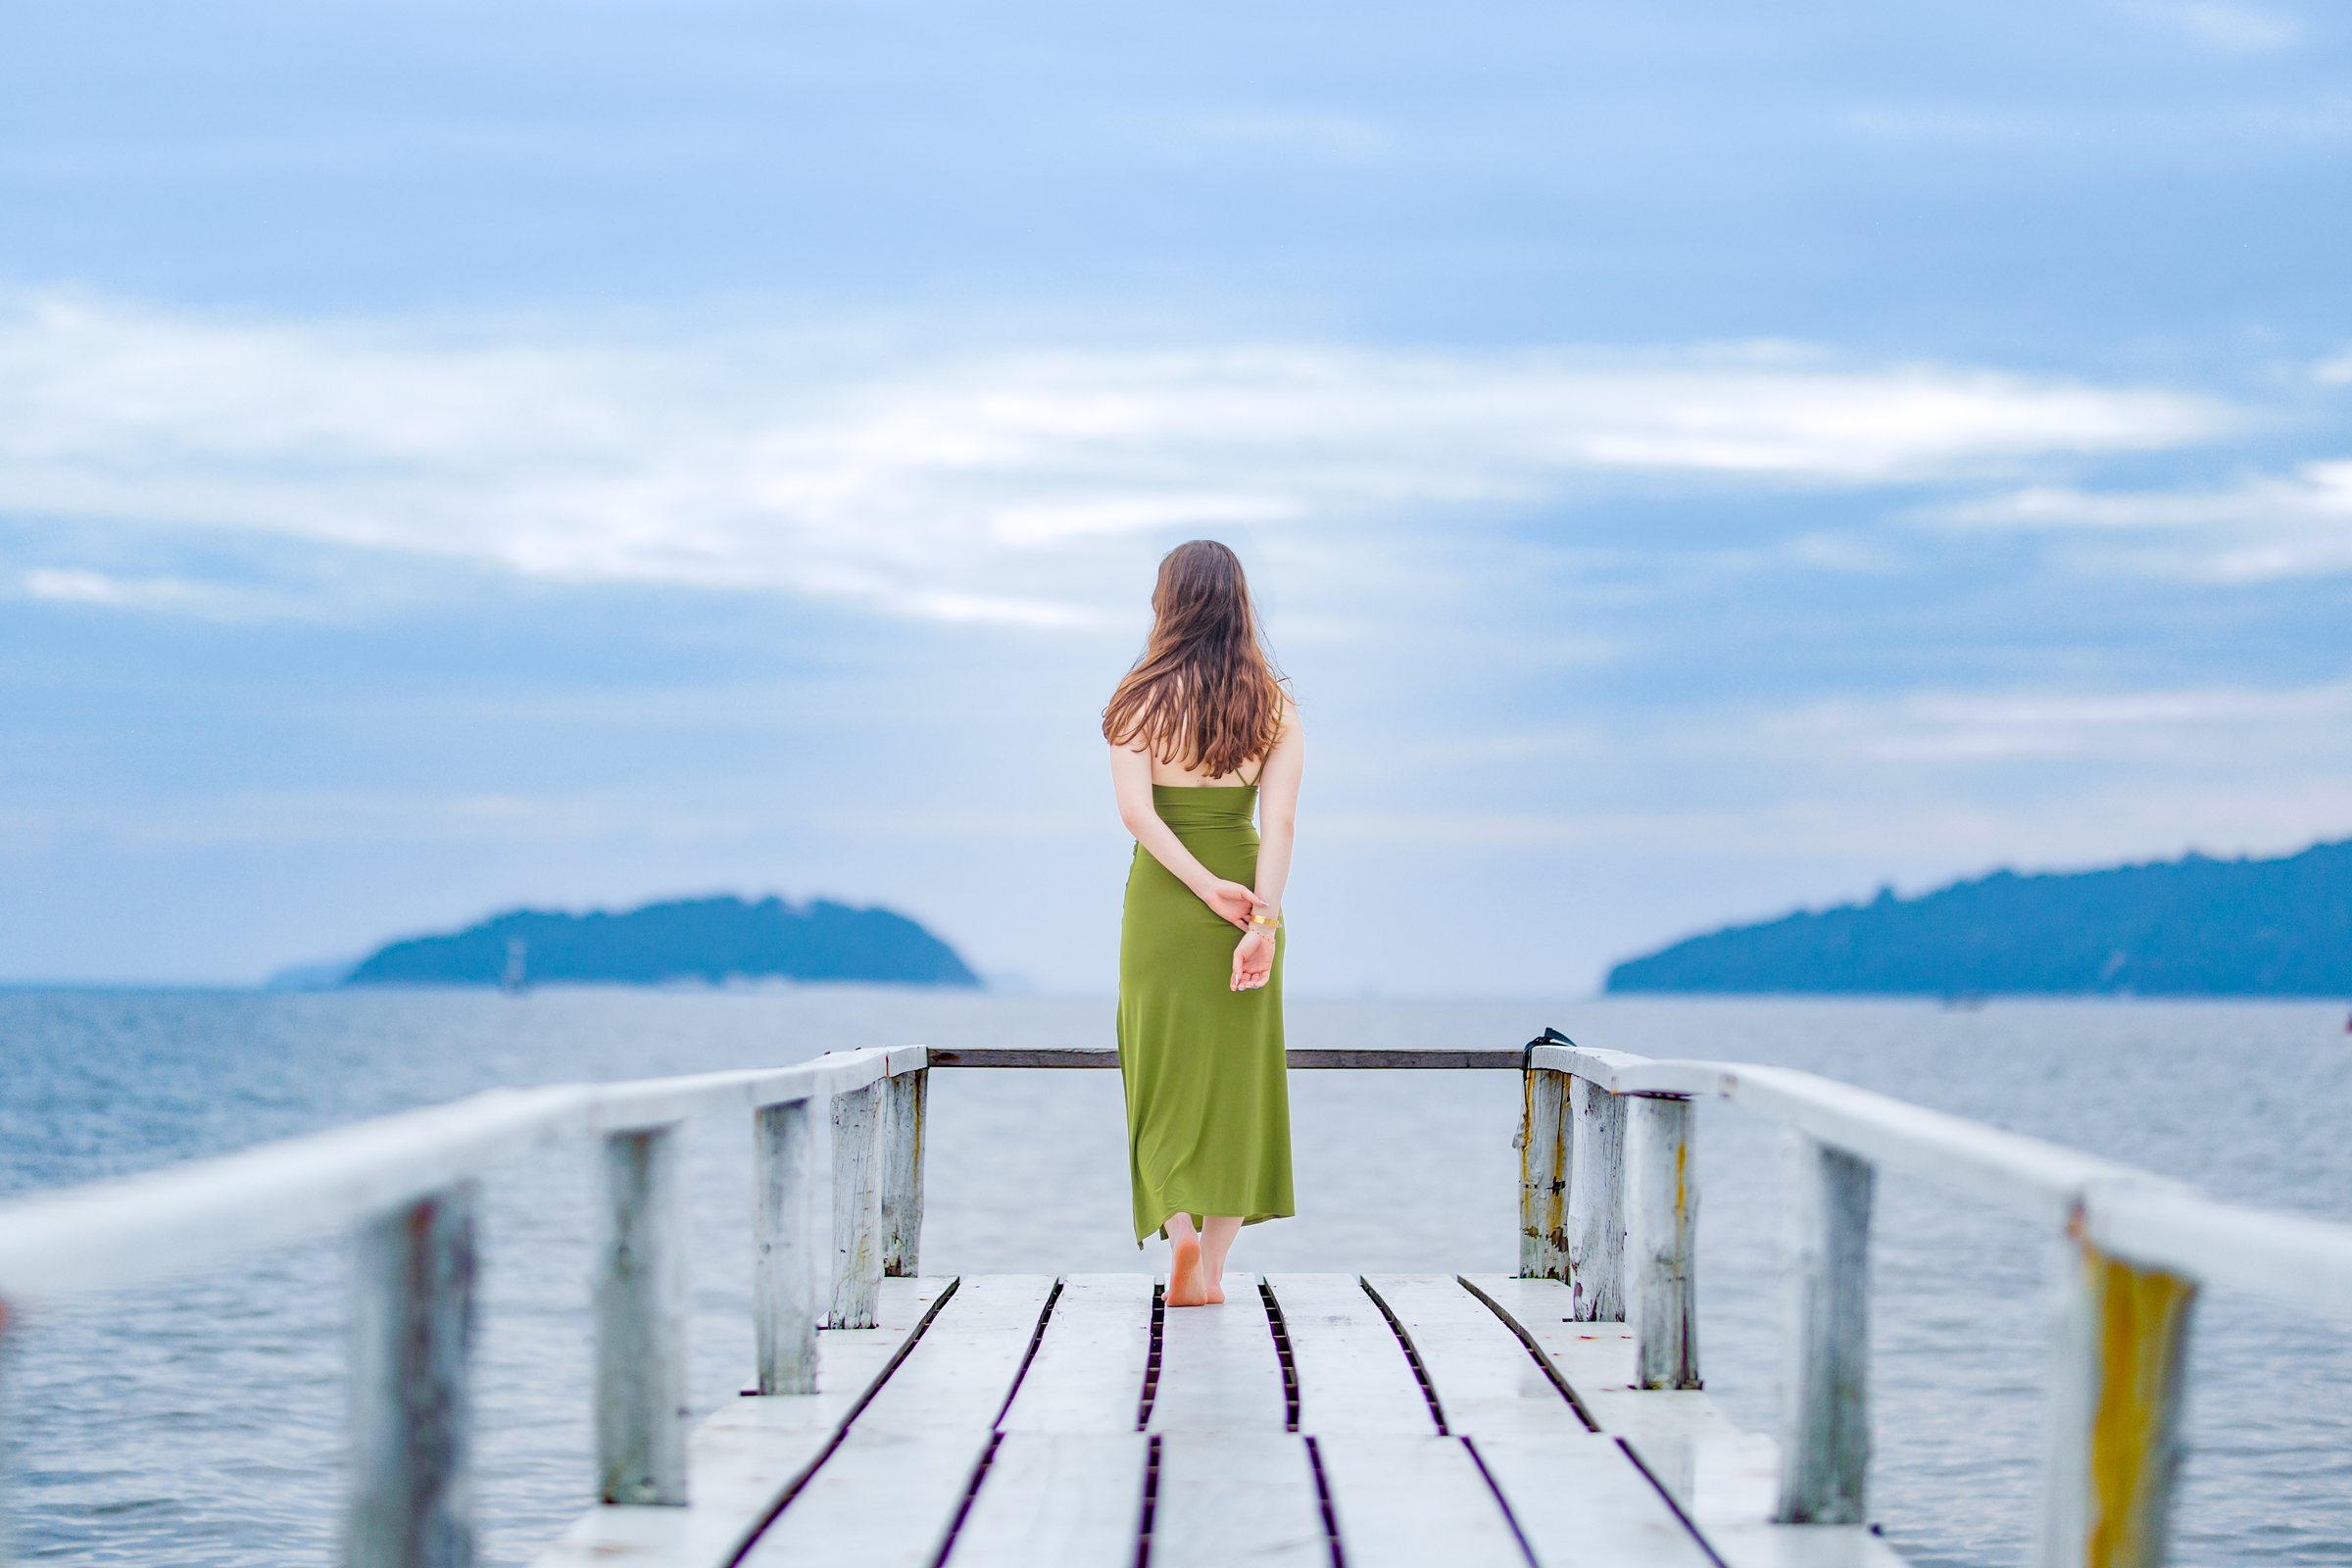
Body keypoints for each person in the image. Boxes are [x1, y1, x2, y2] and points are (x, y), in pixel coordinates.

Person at [1103, 539, 1301, 1308]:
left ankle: (1178, 1237)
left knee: (1157, 1075)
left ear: (1168, 602)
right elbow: (1279, 821)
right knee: (1237, 1086)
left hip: (1163, 901)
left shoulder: (1138, 696)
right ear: (1239, 602)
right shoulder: (1274, 703)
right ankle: (1212, 1272)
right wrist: (1262, 919)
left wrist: (1197, 886)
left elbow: (1136, 813)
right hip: (1248, 896)